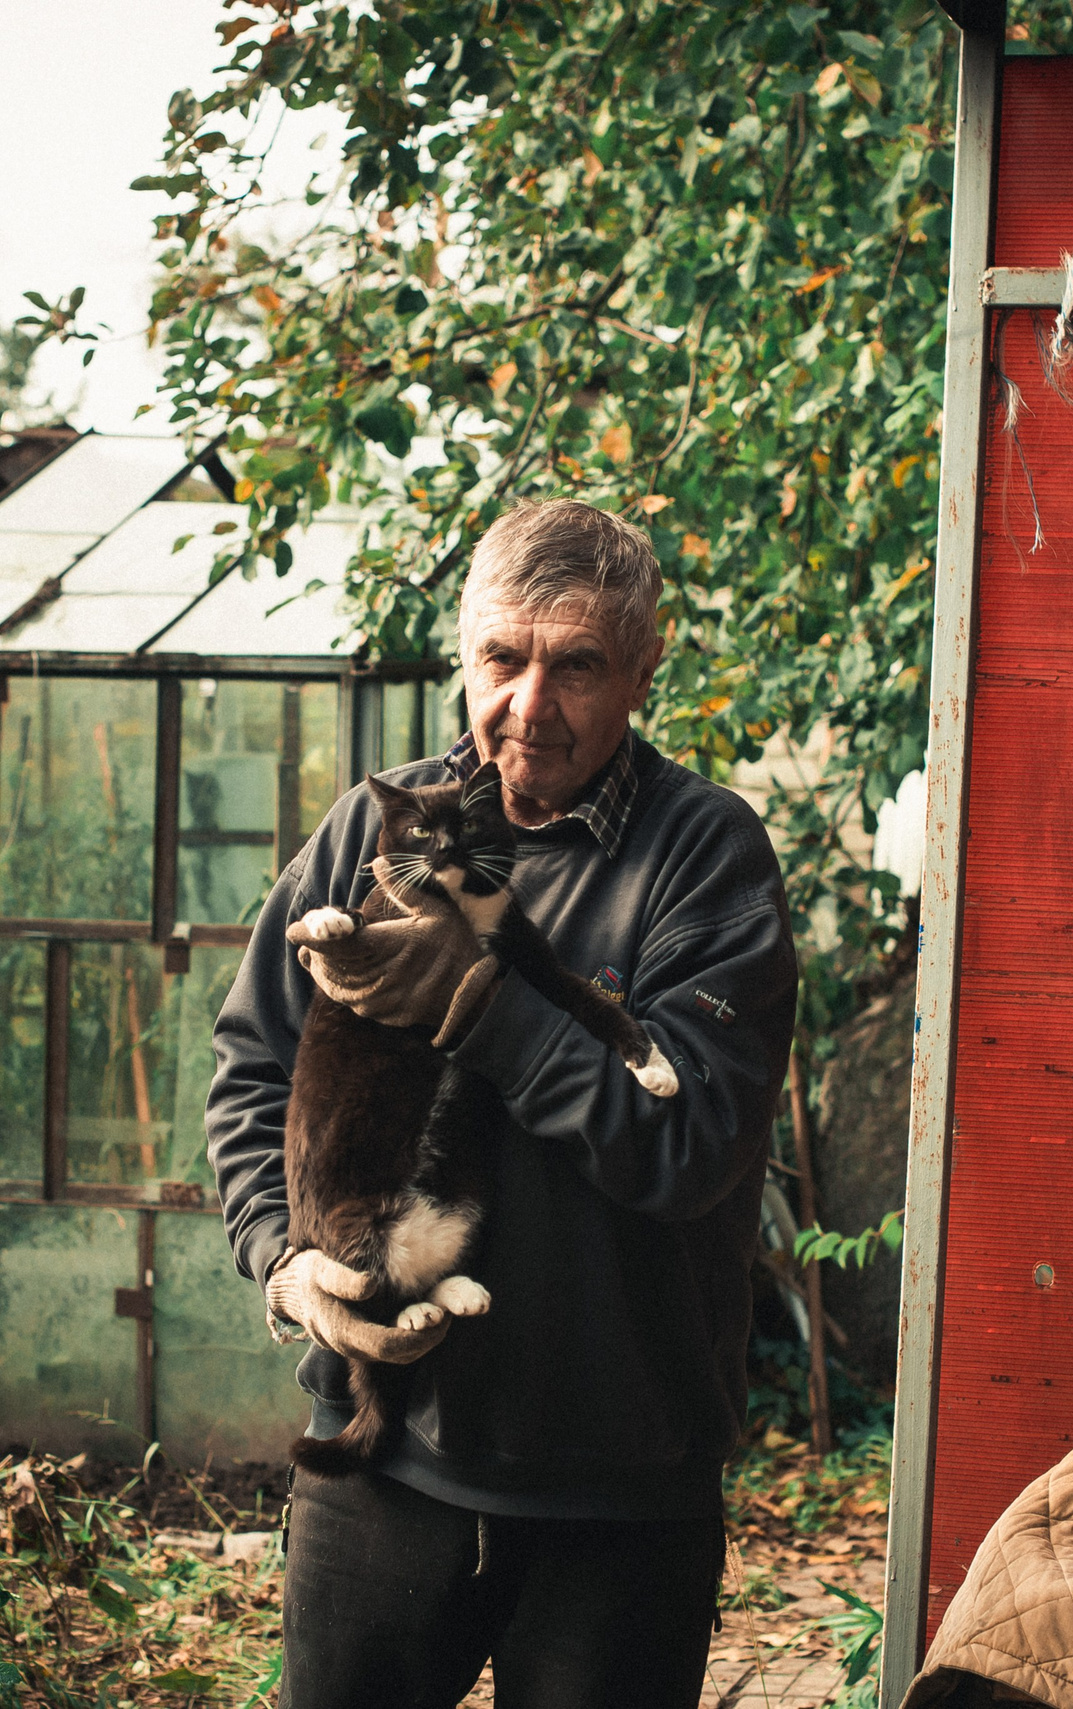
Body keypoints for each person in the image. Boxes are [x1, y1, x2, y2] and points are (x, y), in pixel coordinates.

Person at [206, 498, 799, 1709]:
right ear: (463, 656)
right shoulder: (374, 833)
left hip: (617, 1484)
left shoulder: (705, 859)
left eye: (576, 664)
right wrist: (285, 1263)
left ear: (641, 668)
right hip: (382, 1462)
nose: (530, 704)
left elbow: (683, 1149)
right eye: (503, 659)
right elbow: (253, 1066)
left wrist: (481, 1004)